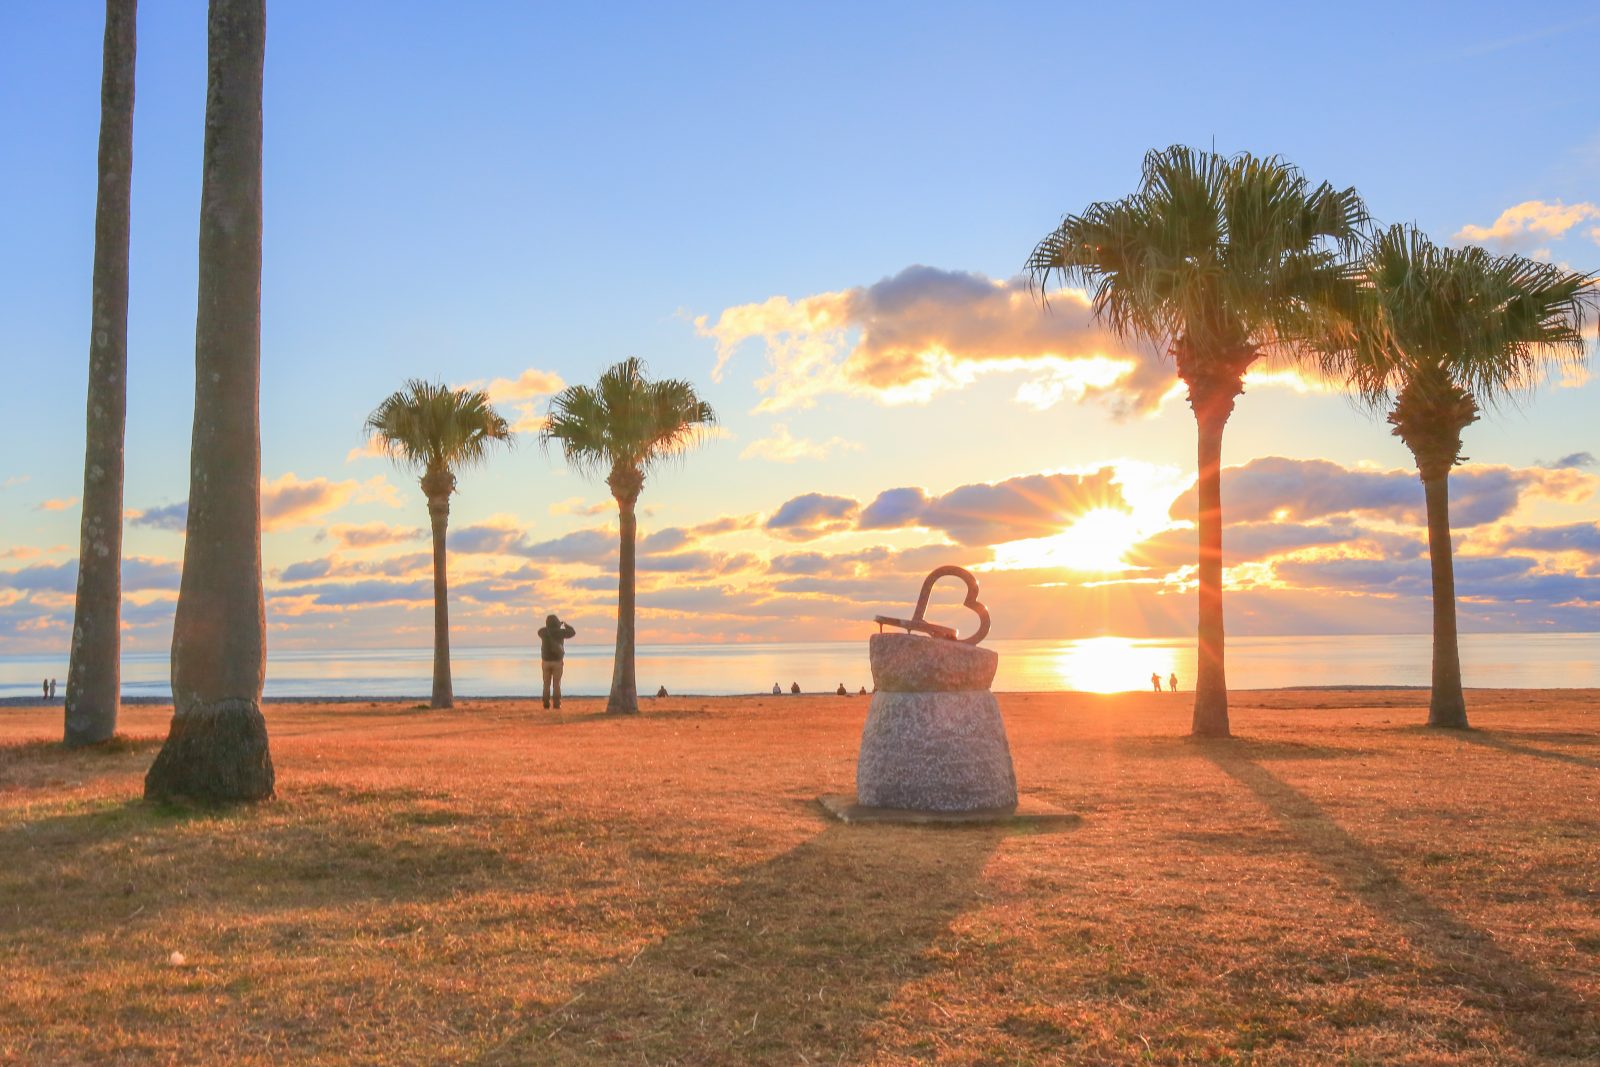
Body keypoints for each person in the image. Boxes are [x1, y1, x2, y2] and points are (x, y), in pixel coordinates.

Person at [537, 614, 576, 709]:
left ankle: (546, 703)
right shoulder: (560, 632)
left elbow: (539, 631)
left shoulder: (543, 632)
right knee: (556, 684)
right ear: (557, 622)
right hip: (557, 661)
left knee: (546, 683)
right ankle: (557, 704)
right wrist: (565, 624)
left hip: (545, 661)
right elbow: (572, 632)